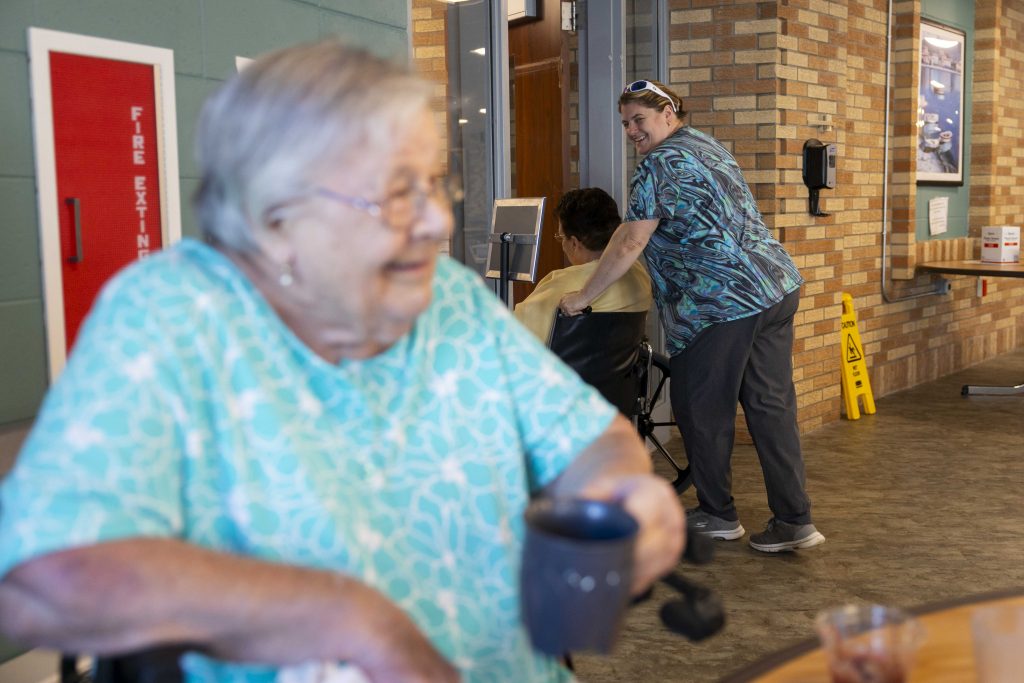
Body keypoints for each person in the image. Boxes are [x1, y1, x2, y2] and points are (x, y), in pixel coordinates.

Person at [0, 45, 685, 683]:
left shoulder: (444, 297)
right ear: (276, 222)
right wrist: (346, 618)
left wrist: (626, 492)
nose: (435, 224)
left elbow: (587, 436)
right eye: (393, 195)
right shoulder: (172, 316)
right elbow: (42, 576)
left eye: (433, 184)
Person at [559, 79, 824, 554]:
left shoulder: (658, 165)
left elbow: (629, 241)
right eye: (624, 123)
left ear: (667, 113)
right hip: (775, 288)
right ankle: (794, 519)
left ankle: (718, 514)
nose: (631, 131)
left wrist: (584, 295)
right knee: (770, 408)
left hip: (720, 302)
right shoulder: (707, 145)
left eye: (638, 119)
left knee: (701, 408)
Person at [514, 187, 651, 343]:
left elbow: (513, 339)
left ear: (574, 243)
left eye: (560, 237)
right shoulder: (638, 275)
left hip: (562, 367)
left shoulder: (561, 284)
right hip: (619, 368)